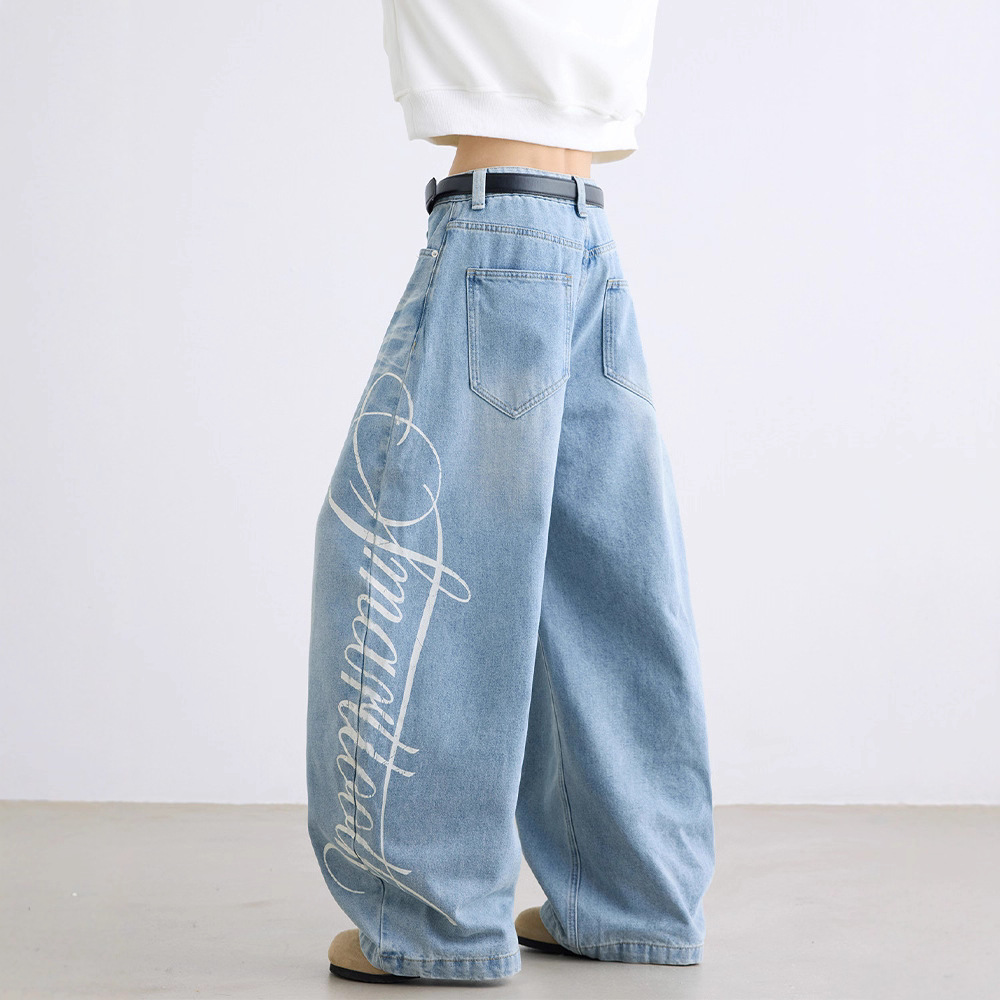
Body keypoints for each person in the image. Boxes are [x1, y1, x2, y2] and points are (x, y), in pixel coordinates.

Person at [306, 0, 715, 984]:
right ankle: (634, 897)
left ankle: (432, 921)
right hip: (583, 231)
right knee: (603, 584)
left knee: (420, 566)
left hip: (493, 227)